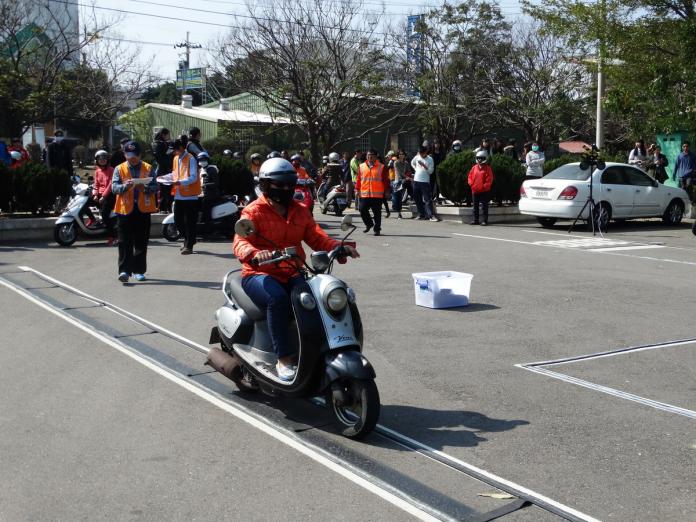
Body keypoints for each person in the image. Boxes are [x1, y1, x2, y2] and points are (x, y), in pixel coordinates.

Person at [232, 158, 359, 380]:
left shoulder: (300, 210)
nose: (285, 189)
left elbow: (316, 236)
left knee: (316, 299)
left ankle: (317, 350)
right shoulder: (253, 211)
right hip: (260, 273)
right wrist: (253, 253)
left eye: (289, 184)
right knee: (277, 300)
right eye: (279, 185)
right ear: (264, 185)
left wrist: (339, 247)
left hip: (292, 270)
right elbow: (240, 241)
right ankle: (283, 359)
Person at [112, 141, 158, 283]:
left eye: (134, 155)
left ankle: (139, 271)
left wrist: (145, 188)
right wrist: (125, 187)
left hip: (143, 210)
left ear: (140, 155)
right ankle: (124, 271)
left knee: (141, 241)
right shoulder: (119, 169)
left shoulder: (149, 168)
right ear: (125, 154)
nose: (131, 158)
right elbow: (114, 187)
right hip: (125, 210)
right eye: (128, 155)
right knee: (124, 241)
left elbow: (155, 186)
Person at [171, 139, 200, 255]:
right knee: (178, 220)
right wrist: (166, 178)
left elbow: (194, 177)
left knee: (190, 222)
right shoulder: (175, 159)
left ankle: (189, 245)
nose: (174, 152)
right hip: (178, 194)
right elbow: (175, 173)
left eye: (175, 149)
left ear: (181, 148)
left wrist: (180, 182)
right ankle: (189, 239)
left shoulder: (191, 158)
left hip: (190, 196)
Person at [355, 149, 390, 236]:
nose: (369, 157)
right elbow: (359, 179)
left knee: (377, 213)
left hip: (377, 195)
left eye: (371, 155)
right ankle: (369, 224)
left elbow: (386, 180)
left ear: (375, 156)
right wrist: (357, 189)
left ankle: (377, 229)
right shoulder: (361, 166)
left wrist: (387, 191)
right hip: (364, 193)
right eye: (368, 155)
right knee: (362, 209)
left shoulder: (382, 167)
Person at [93, 150, 116, 245]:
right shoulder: (97, 171)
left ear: (107, 160)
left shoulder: (112, 170)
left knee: (104, 215)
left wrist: (103, 196)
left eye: (104, 158)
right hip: (99, 194)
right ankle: (92, 220)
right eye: (100, 159)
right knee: (85, 202)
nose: (102, 160)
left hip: (109, 195)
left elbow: (111, 185)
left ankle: (112, 236)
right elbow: (96, 184)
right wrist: (94, 194)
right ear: (96, 160)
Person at [410, 146, 439, 221]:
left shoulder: (430, 159)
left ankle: (431, 215)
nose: (421, 155)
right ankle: (421, 214)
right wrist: (415, 168)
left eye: (422, 153)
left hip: (425, 182)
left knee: (427, 199)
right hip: (416, 181)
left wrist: (424, 165)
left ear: (426, 152)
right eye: (420, 153)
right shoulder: (417, 157)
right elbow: (412, 163)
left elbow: (431, 171)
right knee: (417, 199)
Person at [468, 150, 494, 226]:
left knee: (484, 207)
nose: (479, 160)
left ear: (485, 158)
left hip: (484, 191)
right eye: (478, 158)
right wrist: (471, 184)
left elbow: (489, 179)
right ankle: (475, 220)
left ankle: (484, 220)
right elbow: (470, 177)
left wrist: (484, 187)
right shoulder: (474, 168)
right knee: (475, 206)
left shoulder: (487, 168)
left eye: (481, 158)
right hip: (475, 190)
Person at [152, 128, 173, 213]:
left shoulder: (158, 143)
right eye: (168, 134)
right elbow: (160, 158)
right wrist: (169, 157)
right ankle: (163, 208)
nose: (169, 136)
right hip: (162, 169)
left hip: (162, 169)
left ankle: (165, 207)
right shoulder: (159, 144)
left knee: (165, 189)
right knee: (164, 190)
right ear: (164, 135)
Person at [391, 150, 412, 219]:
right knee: (398, 197)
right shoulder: (396, 162)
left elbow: (409, 171)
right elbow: (399, 173)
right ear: (398, 155)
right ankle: (399, 213)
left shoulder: (406, 163)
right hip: (398, 181)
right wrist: (407, 177)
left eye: (402, 154)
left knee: (412, 191)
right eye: (400, 154)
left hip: (405, 180)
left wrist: (409, 177)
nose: (401, 155)